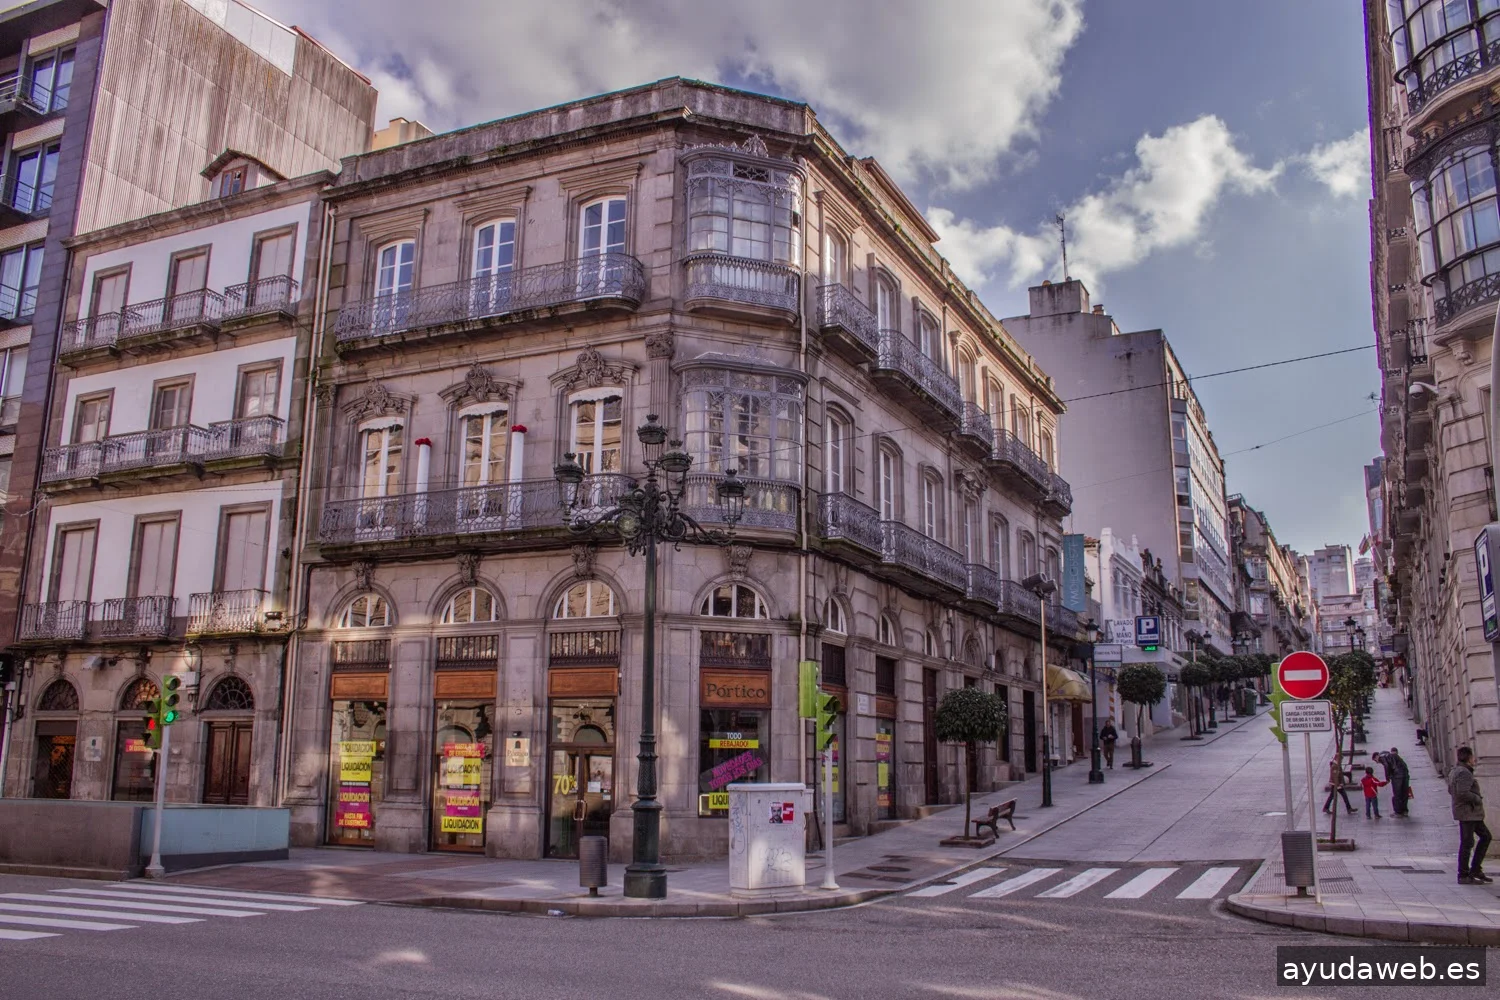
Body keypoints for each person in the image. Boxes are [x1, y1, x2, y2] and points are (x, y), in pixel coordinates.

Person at [1449, 747, 1493, 885]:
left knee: (1485, 837)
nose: (1475, 759)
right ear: (1468, 758)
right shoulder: (1464, 772)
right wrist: (1477, 799)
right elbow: (1462, 792)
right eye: (1473, 757)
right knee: (1467, 843)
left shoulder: (1456, 770)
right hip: (1468, 813)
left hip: (1470, 813)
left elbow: (1451, 790)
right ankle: (1463, 874)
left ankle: (1475, 870)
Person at [1384, 746, 1411, 817]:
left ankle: (1398, 812)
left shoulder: (1389, 758)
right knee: (1404, 794)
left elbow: (1387, 767)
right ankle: (1404, 811)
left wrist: (1388, 778)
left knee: (1397, 795)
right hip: (1405, 777)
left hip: (1398, 778)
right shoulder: (1400, 759)